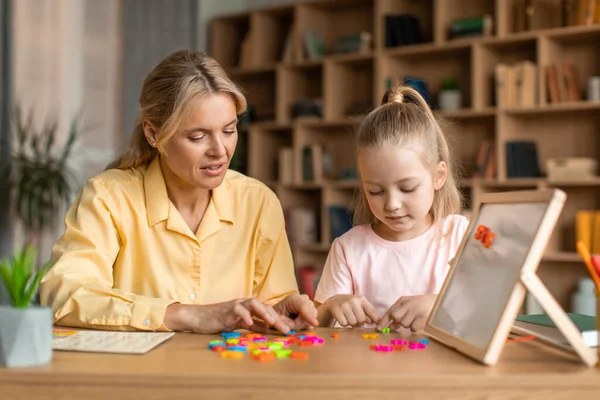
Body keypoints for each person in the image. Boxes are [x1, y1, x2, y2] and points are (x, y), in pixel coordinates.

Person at [40, 50, 318, 334]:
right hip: (140, 377)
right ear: (153, 135)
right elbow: (64, 294)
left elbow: (272, 309)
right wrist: (185, 315)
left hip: (231, 374)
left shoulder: (258, 203)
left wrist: (277, 313)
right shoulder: (108, 198)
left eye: (229, 131)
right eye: (197, 137)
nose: (220, 151)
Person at [314, 85, 470, 334]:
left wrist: (439, 306)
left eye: (407, 188)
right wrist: (330, 307)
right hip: (369, 372)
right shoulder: (348, 248)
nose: (392, 204)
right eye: (375, 191)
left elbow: (488, 312)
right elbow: (315, 326)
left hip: (444, 372)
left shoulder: (459, 235)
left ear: (439, 176)